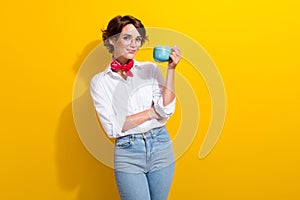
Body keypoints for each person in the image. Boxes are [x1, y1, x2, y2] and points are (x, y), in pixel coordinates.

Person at [90, 15, 181, 200]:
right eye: (127, 38)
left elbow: (166, 110)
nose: (134, 44)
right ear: (113, 40)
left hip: (161, 145)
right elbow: (113, 128)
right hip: (128, 151)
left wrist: (171, 69)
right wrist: (150, 112)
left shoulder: (150, 69)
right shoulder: (100, 82)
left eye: (138, 39)